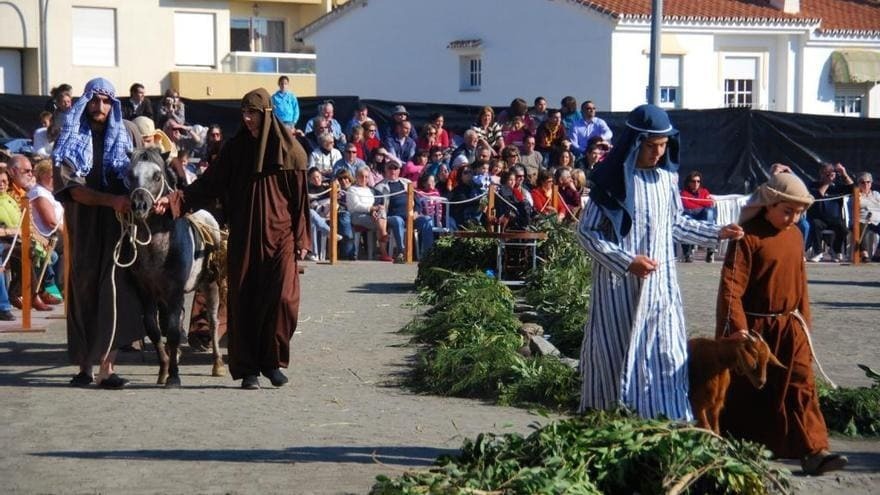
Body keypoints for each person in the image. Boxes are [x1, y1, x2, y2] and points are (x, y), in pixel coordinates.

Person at [576, 104, 743, 420]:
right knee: (615, 354)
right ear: (635, 143)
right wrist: (626, 261)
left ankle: (664, 420)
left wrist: (717, 231)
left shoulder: (667, 179)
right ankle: (608, 420)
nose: (657, 152)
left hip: (661, 290)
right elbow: (586, 233)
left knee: (666, 353)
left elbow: (676, 224)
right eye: (651, 146)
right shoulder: (611, 182)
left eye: (662, 146)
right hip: (618, 290)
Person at [154, 88, 311, 390]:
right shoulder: (235, 150)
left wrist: (303, 238)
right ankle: (249, 369)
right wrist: (175, 201)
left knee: (283, 299)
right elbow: (208, 185)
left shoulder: (292, 153)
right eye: (244, 113)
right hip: (245, 237)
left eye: (253, 113)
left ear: (266, 115)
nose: (247, 118)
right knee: (245, 301)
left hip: (282, 238)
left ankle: (272, 361)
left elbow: (300, 201)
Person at [717, 172, 847, 476]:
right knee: (750, 391)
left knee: (802, 384)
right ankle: (742, 447)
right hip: (755, 329)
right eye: (787, 210)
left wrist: (805, 324)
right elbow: (731, 287)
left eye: (799, 212)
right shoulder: (746, 236)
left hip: (791, 326)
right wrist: (737, 328)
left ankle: (814, 451)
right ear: (768, 203)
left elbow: (800, 284)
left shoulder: (795, 235)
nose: (793, 218)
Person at [52, 77, 145, 389]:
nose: (100, 107)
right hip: (83, 227)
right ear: (85, 101)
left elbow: (136, 176)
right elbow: (73, 189)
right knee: (83, 291)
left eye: (106, 101)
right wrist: (111, 200)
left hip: (116, 228)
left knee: (114, 292)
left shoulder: (124, 136)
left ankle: (107, 369)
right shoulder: (69, 139)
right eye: (94, 100)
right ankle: (84, 368)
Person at [806, 162, 853, 262]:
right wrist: (827, 182)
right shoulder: (813, 184)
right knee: (815, 224)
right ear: (821, 174)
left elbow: (853, 189)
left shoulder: (837, 187)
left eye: (830, 174)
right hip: (819, 218)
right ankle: (818, 252)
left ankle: (835, 251)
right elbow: (817, 195)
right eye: (826, 173)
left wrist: (844, 173)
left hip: (834, 219)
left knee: (843, 229)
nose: (829, 176)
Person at [679, 170, 717, 262]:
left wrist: (695, 202)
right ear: (689, 183)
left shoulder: (704, 191)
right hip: (690, 215)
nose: (696, 183)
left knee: (710, 213)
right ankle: (687, 254)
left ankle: (710, 250)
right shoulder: (683, 193)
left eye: (698, 181)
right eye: (693, 181)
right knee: (684, 219)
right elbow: (687, 205)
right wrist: (703, 202)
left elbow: (710, 204)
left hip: (702, 216)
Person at [855, 172, 880, 261]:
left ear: (871, 183)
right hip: (863, 220)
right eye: (862, 182)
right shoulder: (857, 194)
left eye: (868, 182)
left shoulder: (876, 194)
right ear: (859, 184)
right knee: (860, 227)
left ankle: (877, 254)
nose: (866, 184)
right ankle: (864, 254)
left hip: (877, 220)